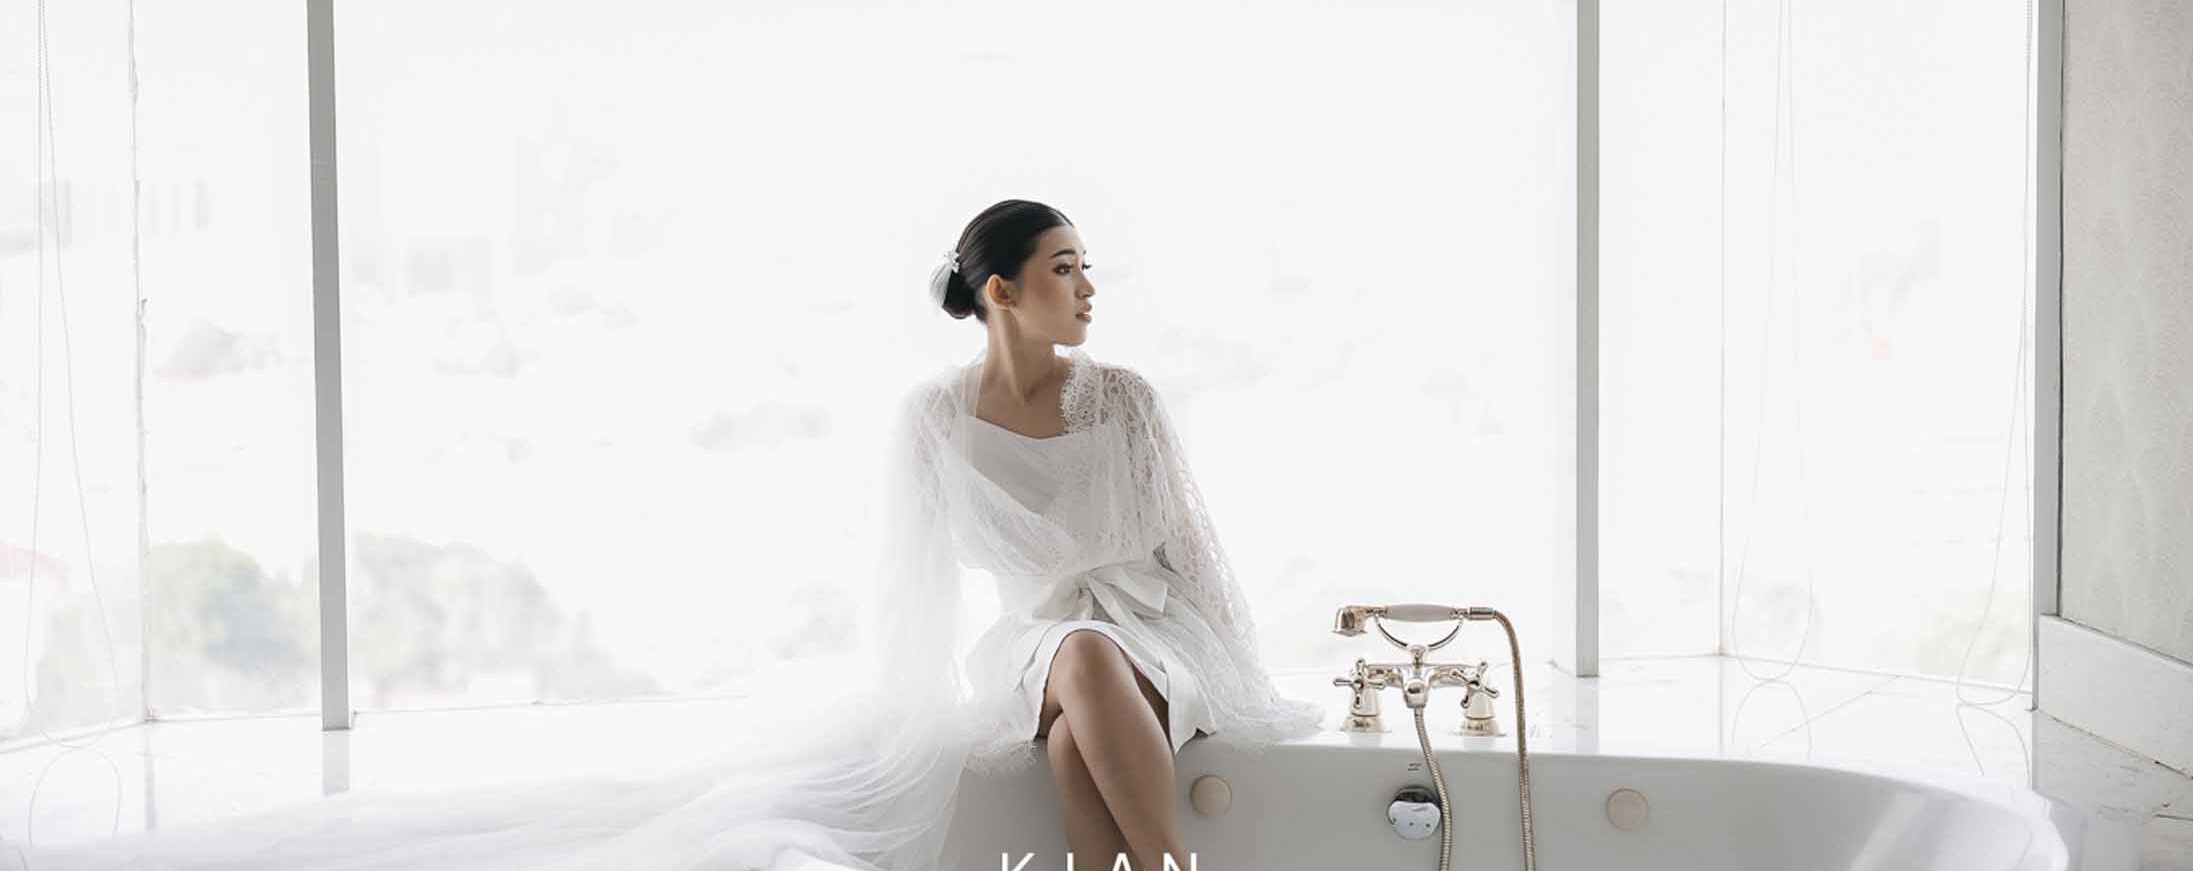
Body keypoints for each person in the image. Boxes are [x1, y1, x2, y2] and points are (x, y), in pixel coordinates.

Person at [14, 199, 1321, 871]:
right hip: (1044, 651)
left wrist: (1233, 664)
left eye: (1090, 267)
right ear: (1000, 291)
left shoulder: (1125, 399)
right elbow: (912, 586)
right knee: (1078, 657)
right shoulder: (931, 419)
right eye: (1064, 268)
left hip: (1155, 639)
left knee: (1093, 691)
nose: (1089, 287)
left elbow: (1191, 547)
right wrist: (912, 712)